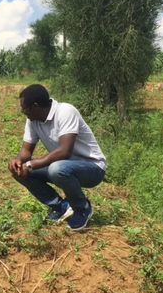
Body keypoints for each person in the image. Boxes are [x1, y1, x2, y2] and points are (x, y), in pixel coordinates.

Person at [8, 84, 107, 231]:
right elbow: (26, 150)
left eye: (24, 108)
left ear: (35, 106)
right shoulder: (33, 120)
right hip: (64, 165)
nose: (22, 112)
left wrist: (31, 165)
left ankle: (82, 208)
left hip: (92, 168)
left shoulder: (65, 111)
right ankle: (60, 206)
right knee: (20, 172)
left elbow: (64, 151)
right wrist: (18, 161)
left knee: (56, 169)